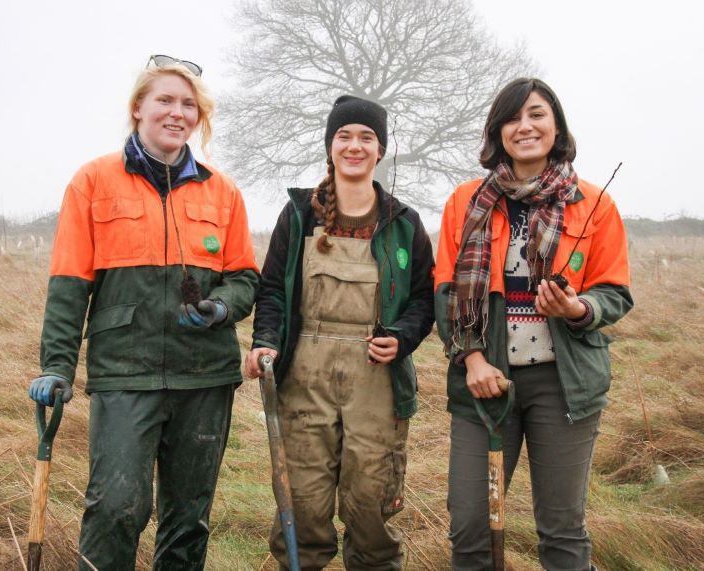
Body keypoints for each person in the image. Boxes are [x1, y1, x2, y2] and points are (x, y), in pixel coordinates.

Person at [27, 54, 259, 570]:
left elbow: (245, 277)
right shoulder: (93, 181)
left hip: (204, 376)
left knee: (189, 515)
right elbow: (69, 284)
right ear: (138, 108)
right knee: (116, 508)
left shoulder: (222, 190)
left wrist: (220, 308)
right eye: (165, 101)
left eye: (189, 104)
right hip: (124, 373)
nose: (177, 113)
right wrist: (56, 366)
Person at [434, 77, 633, 570]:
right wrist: (472, 359)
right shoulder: (466, 201)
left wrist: (578, 309)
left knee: (563, 531)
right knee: (470, 526)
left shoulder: (593, 204)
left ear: (556, 125)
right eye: (512, 117)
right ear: (497, 131)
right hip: (485, 381)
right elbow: (445, 290)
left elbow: (614, 291)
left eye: (537, 114)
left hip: (563, 384)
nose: (525, 126)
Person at [245, 95, 435, 570]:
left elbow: (424, 299)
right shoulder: (298, 215)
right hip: (303, 375)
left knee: (370, 501)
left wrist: (403, 336)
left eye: (366, 137)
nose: (355, 146)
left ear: (381, 150)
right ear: (330, 147)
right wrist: (264, 341)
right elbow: (271, 289)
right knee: (303, 502)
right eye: (344, 136)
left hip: (377, 377)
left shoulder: (404, 223)